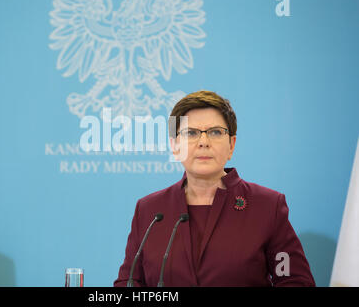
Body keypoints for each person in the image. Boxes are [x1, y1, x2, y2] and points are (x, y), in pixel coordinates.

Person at [114, 90, 315, 287]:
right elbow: (129, 282)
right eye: (191, 133)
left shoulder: (267, 206)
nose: (203, 142)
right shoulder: (149, 210)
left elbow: (294, 280)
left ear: (231, 145)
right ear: (175, 146)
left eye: (215, 132)